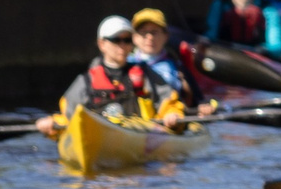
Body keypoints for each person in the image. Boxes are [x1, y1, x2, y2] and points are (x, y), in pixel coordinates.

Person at [37, 16, 191, 137]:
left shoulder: (145, 74)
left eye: (127, 40)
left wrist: (172, 115)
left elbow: (169, 102)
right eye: (116, 40)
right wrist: (53, 124)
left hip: (138, 135)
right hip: (99, 137)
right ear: (102, 44)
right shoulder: (86, 80)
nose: (122, 46)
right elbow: (68, 117)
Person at [128, 10, 221, 113]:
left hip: (172, 118)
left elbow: (199, 101)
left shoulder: (178, 67)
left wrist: (204, 108)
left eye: (155, 32)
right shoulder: (126, 64)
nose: (150, 37)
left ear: (166, 36)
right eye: (144, 32)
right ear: (134, 37)